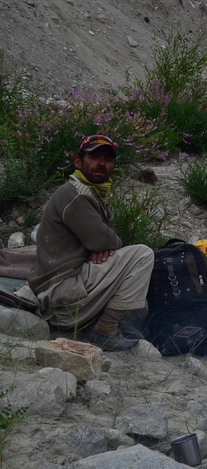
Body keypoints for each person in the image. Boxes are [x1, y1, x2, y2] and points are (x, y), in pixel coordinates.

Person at [24, 135, 154, 351]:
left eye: (108, 159)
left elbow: (104, 241)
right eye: (94, 157)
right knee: (143, 255)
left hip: (63, 290)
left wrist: (102, 246)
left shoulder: (92, 193)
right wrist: (103, 245)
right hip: (60, 296)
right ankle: (106, 329)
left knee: (128, 260)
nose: (102, 163)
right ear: (78, 162)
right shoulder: (75, 194)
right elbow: (107, 240)